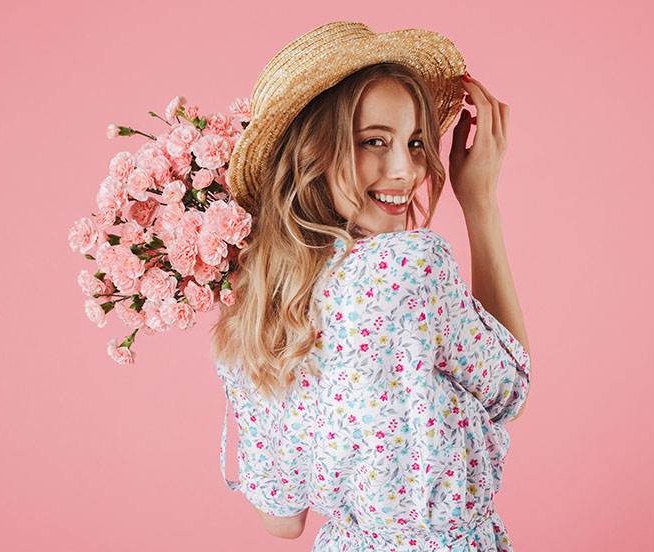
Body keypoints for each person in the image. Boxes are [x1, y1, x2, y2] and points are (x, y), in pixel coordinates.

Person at [211, 21, 531, 550]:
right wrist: (480, 204)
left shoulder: (258, 308)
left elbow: (282, 521)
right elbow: (511, 387)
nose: (405, 169)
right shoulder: (413, 266)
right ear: (313, 151)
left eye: (414, 142)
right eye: (372, 142)